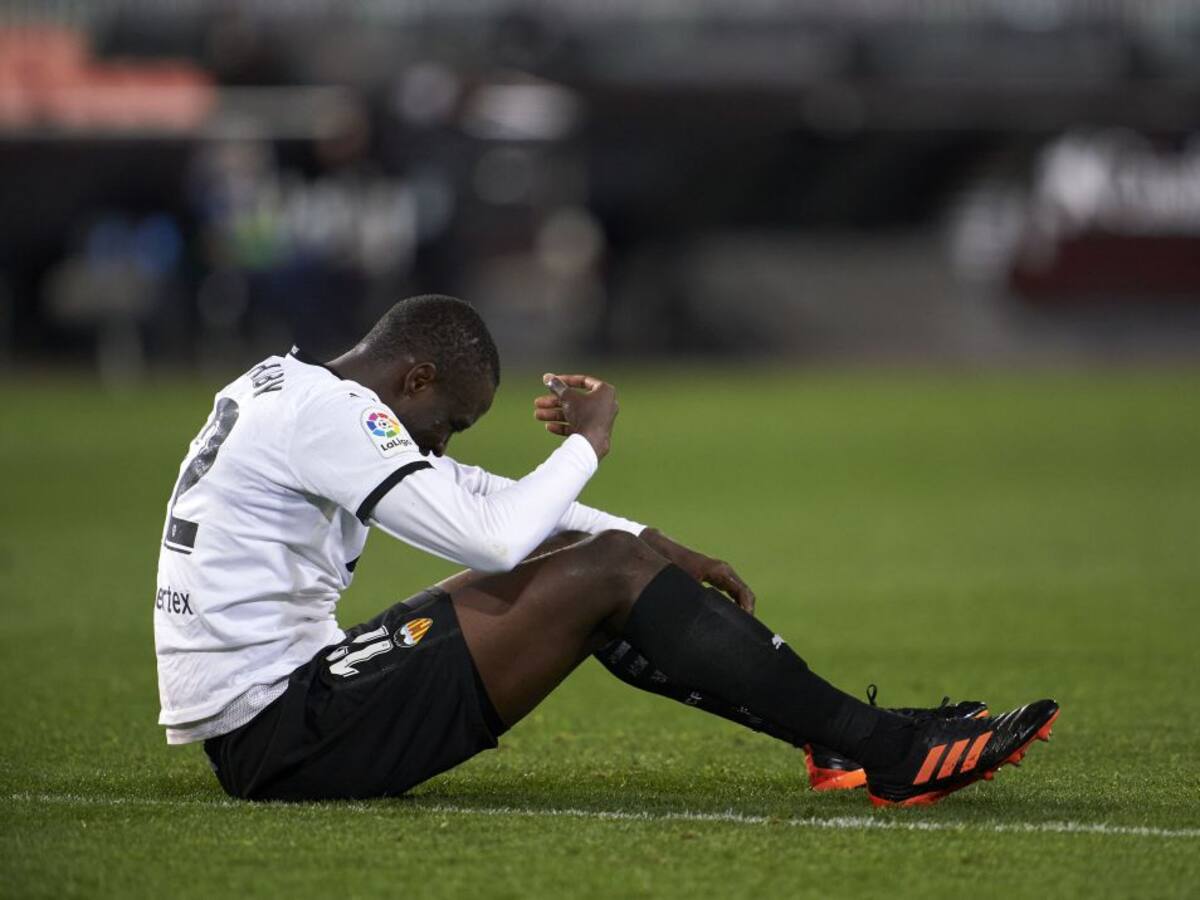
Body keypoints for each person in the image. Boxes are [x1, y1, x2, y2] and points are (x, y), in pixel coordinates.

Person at [154, 294, 1058, 807]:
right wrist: (591, 437)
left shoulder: (292, 390)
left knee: (605, 562)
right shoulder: (328, 414)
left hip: (288, 706)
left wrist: (645, 538)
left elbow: (481, 497)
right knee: (601, 576)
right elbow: (490, 538)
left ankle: (846, 743)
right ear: (414, 376)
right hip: (282, 731)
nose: (440, 443)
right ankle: (885, 749)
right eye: (448, 421)